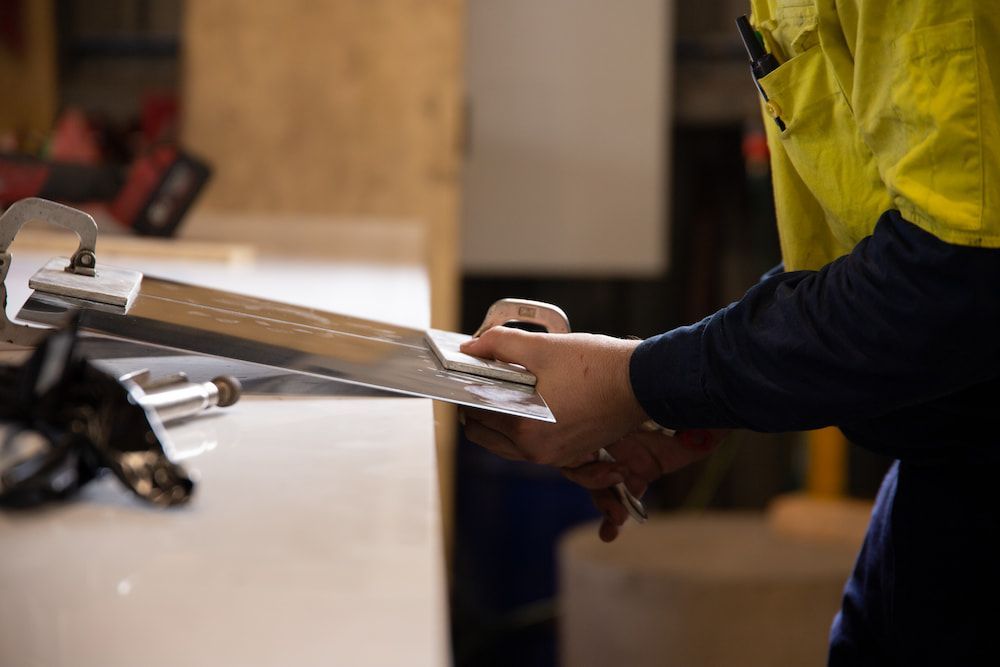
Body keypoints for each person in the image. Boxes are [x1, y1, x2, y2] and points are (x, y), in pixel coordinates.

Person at [460, 1, 1000, 664]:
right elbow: (876, 243)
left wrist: (643, 382)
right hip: (944, 461)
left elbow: (957, 276)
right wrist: (683, 391)